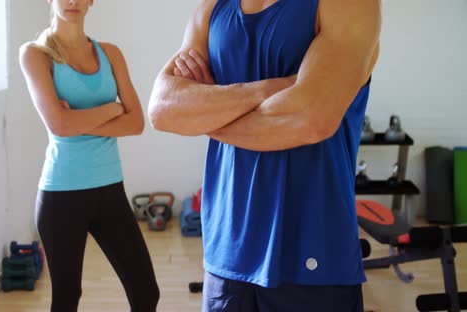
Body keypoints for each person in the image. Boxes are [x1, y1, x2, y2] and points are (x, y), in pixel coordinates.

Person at [148, 0, 381, 311]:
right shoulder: (211, 8)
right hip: (225, 255)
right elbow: (163, 109)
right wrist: (276, 88)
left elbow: (309, 121)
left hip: (314, 252)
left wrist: (206, 112)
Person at [19, 0, 159, 310]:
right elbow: (59, 124)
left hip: (110, 189)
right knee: (67, 299)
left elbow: (136, 123)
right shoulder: (35, 54)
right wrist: (112, 109)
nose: (73, 1)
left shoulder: (111, 53)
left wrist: (76, 121)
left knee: (147, 293)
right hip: (61, 195)